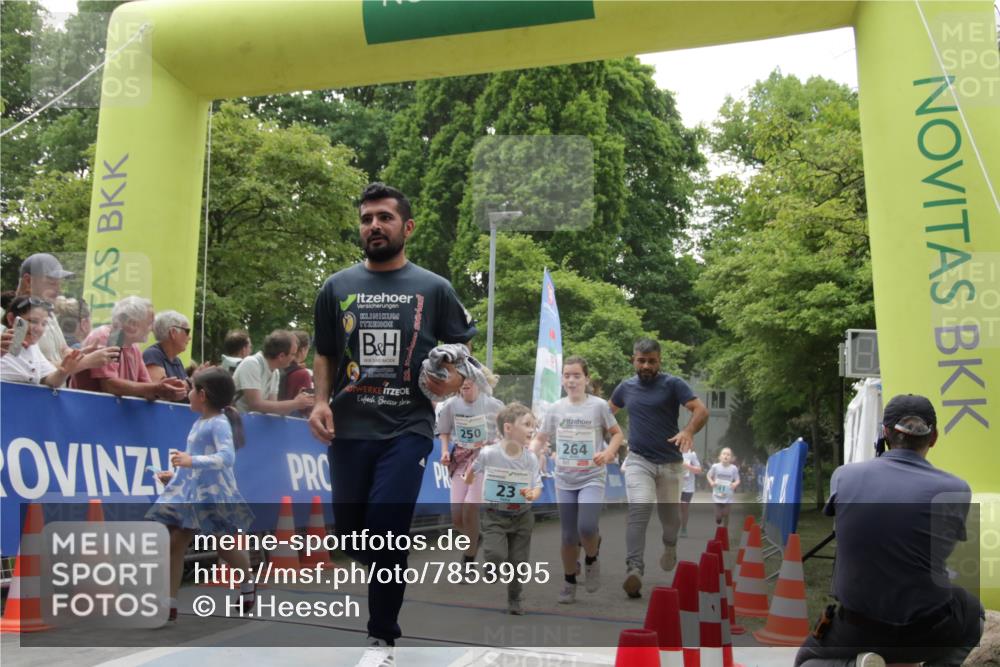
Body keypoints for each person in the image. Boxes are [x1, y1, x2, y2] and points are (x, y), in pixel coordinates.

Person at [309, 182, 475, 666]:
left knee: (385, 529)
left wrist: (453, 379)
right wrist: (320, 402)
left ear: (407, 226)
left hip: (408, 428)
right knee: (349, 536)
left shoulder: (434, 288)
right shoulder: (335, 287)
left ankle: (380, 639)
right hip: (348, 427)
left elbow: (464, 353)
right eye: (367, 218)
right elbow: (324, 351)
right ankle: (387, 565)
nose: (374, 226)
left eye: (384, 217)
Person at [795, 394, 984, 667]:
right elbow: (941, 550)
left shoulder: (844, 476)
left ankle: (855, 665)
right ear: (934, 438)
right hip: (927, 629)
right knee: (972, 614)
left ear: (884, 433)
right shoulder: (957, 489)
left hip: (858, 627)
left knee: (806, 660)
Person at [146, 368, 256, 622]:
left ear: (203, 395)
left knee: (223, 545)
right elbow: (193, 462)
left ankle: (247, 581)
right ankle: (169, 603)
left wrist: (190, 460)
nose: (189, 393)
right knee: (176, 542)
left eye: (192, 389)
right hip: (191, 493)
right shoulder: (199, 423)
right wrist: (175, 476)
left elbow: (226, 457)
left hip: (213, 493)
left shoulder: (219, 423)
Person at [609, 338, 708, 598]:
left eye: (651, 361)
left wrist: (688, 430)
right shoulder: (625, 388)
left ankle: (670, 545)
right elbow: (607, 414)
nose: (646, 365)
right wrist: (609, 443)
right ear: (633, 360)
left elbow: (701, 410)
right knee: (638, 510)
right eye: (641, 360)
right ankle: (634, 569)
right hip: (639, 460)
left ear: (659, 361)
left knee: (670, 521)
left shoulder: (673, 384)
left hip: (670, 463)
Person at [531, 355, 623, 603]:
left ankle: (592, 558)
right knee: (568, 537)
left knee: (587, 527)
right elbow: (541, 438)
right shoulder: (555, 408)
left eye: (576, 375)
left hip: (591, 476)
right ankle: (569, 580)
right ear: (562, 379)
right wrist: (529, 455)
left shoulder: (598, 406)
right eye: (567, 375)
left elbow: (616, 434)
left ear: (586, 379)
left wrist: (608, 452)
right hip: (564, 479)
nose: (571, 380)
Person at [466, 403, 542, 615]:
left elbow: (537, 487)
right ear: (508, 428)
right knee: (497, 556)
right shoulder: (489, 453)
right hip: (495, 515)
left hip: (523, 516)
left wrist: (532, 494)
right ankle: (492, 564)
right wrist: (468, 479)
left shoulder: (531, 459)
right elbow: (473, 470)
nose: (531, 430)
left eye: (533, 426)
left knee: (519, 562)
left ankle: (515, 599)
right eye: (527, 424)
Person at [438, 377, 504, 568]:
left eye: (469, 380)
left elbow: (506, 427)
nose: (465, 384)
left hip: (484, 459)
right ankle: (476, 538)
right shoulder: (451, 405)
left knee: (470, 507)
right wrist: (444, 450)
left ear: (478, 382)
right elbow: (444, 431)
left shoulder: (493, 404)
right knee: (457, 517)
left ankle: (468, 560)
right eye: (461, 380)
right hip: (461, 458)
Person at [71, 296, 188, 402]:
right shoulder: (113, 337)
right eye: (149, 323)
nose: (152, 329)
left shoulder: (133, 347)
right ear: (132, 324)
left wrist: (166, 391)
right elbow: (110, 386)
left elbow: (147, 387)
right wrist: (157, 388)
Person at [1, 295, 85, 387]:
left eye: (44, 324)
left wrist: (63, 371)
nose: (39, 329)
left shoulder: (33, 348)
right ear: (11, 319)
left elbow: (49, 381)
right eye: (33, 321)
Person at [233, 329, 314, 415]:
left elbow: (273, 408)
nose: (294, 358)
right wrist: (295, 403)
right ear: (281, 356)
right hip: (236, 422)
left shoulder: (275, 372)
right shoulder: (252, 363)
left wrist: (299, 402)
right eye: (293, 354)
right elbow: (255, 404)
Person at [144, 310, 194, 393]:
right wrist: (194, 380)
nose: (189, 337)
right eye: (187, 331)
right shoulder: (152, 355)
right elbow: (163, 392)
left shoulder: (177, 360)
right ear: (173, 332)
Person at [278, 330, 314, 417]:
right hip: (293, 421)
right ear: (303, 349)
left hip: (273, 416)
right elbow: (306, 408)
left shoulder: (277, 368)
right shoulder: (303, 374)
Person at [706, 447, 740, 529]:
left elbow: (738, 480)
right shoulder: (715, 466)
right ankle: (718, 519)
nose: (726, 456)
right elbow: (708, 475)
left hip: (728, 495)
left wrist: (735, 484)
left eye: (728, 454)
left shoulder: (733, 468)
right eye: (724, 454)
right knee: (718, 516)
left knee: (726, 513)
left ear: (731, 458)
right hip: (717, 495)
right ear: (719, 457)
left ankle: (725, 529)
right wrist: (711, 482)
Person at [680, 447, 702, 537]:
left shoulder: (692, 455)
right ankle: (674, 528)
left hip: (688, 487)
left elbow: (699, 470)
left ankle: (683, 528)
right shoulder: (673, 452)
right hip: (676, 485)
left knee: (684, 508)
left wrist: (687, 466)